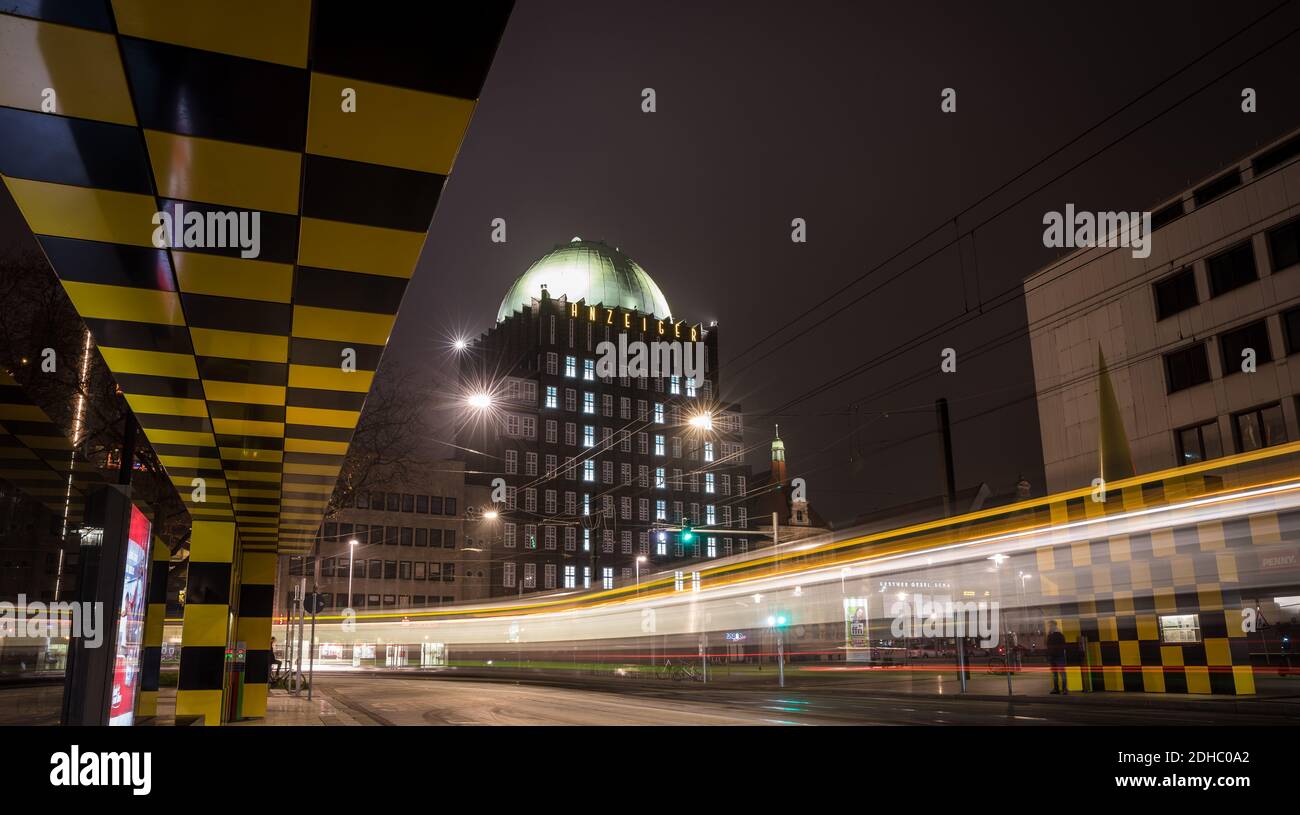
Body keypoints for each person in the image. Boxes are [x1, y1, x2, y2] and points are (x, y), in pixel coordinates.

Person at [1046, 621, 1067, 695]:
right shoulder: (1050, 634)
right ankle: (1057, 689)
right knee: (1055, 674)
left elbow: (1063, 645)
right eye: (1049, 625)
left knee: (1061, 673)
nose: (1049, 627)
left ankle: (1064, 689)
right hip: (1054, 656)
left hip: (1058, 656)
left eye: (1050, 625)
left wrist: (1055, 652)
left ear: (1054, 625)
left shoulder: (1058, 634)